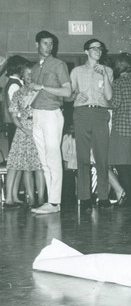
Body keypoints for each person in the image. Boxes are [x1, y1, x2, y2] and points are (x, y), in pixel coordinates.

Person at [30, 30, 72, 214]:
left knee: (53, 159)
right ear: (37, 45)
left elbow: (67, 92)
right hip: (37, 115)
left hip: (52, 114)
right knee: (44, 160)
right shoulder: (34, 68)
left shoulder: (59, 64)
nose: (48, 47)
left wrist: (43, 87)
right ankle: (50, 201)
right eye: (45, 43)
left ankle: (55, 202)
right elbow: (33, 93)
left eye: (51, 43)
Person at [70, 39, 113, 211]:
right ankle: (85, 197)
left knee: (102, 158)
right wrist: (74, 96)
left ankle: (103, 197)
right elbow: (69, 93)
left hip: (100, 113)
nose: (98, 51)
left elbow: (109, 97)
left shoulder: (108, 70)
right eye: (94, 48)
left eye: (100, 48)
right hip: (81, 114)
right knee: (83, 158)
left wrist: (104, 75)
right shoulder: (76, 71)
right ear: (86, 51)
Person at [3, 58, 45, 208]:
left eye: (31, 74)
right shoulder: (18, 92)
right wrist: (23, 128)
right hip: (23, 130)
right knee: (25, 166)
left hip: (39, 128)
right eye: (26, 74)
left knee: (39, 166)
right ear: (22, 74)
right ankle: (31, 199)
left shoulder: (40, 91)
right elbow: (14, 115)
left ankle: (41, 199)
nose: (29, 76)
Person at [108, 53, 131, 207]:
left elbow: (114, 103)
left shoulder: (117, 83)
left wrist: (103, 101)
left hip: (121, 128)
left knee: (121, 165)